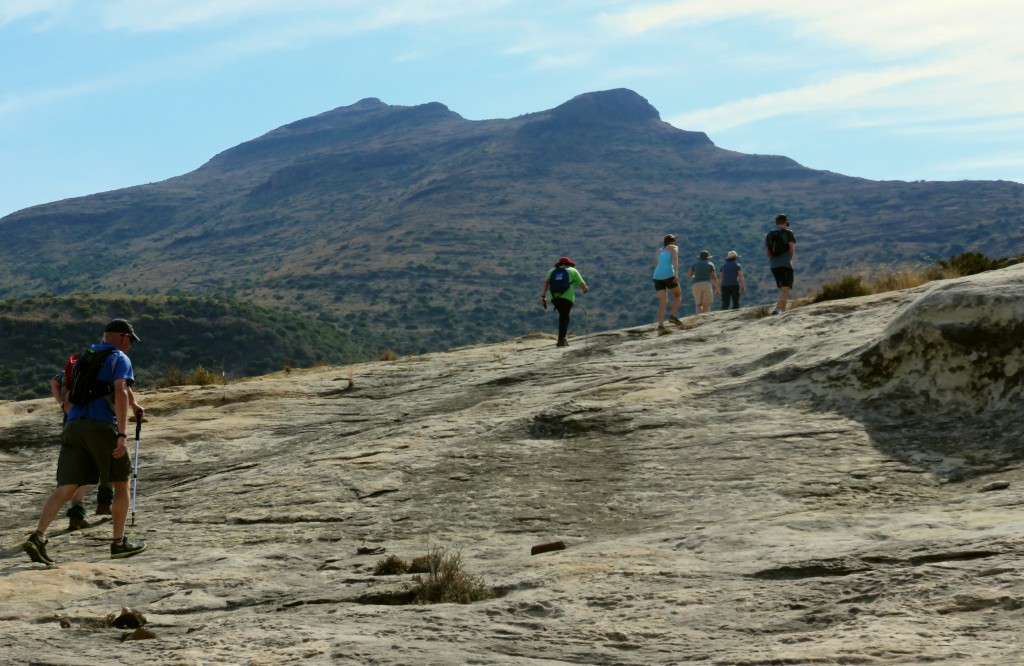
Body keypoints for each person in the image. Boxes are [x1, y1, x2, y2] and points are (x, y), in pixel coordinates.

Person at [23, 319, 147, 565]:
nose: (130, 345)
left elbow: (68, 391)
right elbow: (120, 390)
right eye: (130, 340)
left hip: (73, 427)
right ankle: (119, 543)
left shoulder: (82, 359)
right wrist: (122, 433)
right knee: (121, 484)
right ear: (122, 337)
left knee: (66, 488)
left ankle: (38, 537)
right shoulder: (119, 358)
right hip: (100, 426)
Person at [49, 365, 114, 529]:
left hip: (71, 423)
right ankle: (105, 503)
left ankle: (76, 515)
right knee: (110, 462)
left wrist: (61, 403)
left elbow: (54, 381)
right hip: (98, 422)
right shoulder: (105, 371)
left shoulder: (73, 372)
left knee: (80, 472)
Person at [540, 257, 588, 347]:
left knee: (563, 315)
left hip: (554, 298)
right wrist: (585, 289)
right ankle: (562, 340)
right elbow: (582, 285)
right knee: (564, 316)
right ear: (569, 264)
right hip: (567, 298)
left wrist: (543, 296)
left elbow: (546, 282)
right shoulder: (573, 270)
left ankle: (562, 339)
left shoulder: (552, 271)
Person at [766, 214, 797, 314]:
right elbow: (791, 249)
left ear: (777, 223)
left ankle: (783, 311)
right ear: (786, 222)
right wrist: (788, 259)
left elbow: (768, 253)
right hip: (785, 264)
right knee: (786, 289)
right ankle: (777, 310)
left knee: (783, 289)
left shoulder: (770, 234)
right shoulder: (789, 233)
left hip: (774, 265)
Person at [652, 234, 683, 333]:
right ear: (672, 241)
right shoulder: (674, 247)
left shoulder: (658, 251)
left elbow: (657, 264)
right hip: (668, 274)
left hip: (657, 276)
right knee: (678, 295)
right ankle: (673, 316)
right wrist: (676, 274)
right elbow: (675, 259)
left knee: (663, 302)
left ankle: (660, 325)